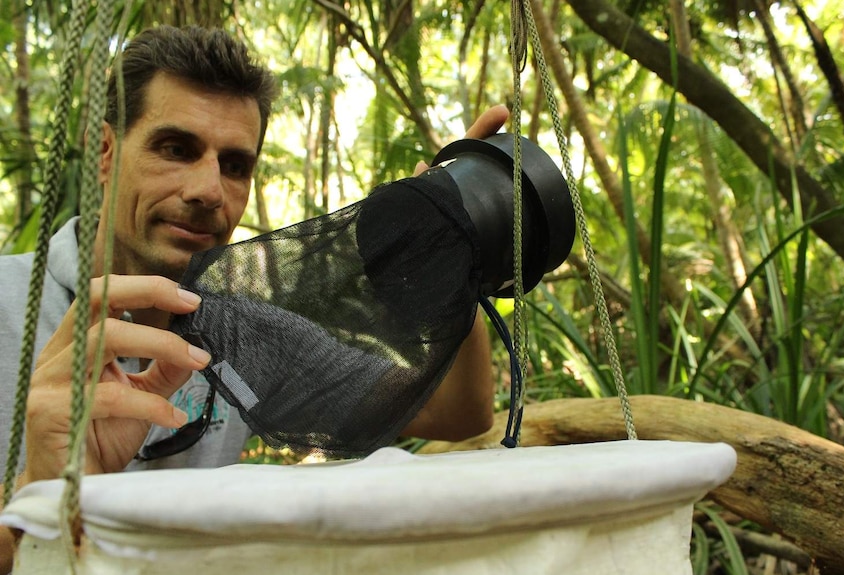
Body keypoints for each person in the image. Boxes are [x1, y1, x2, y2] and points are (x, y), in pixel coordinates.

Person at [0, 25, 508, 572]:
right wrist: (39, 496)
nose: (209, 191)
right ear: (104, 153)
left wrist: (445, 244)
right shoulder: (11, 306)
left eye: (235, 165)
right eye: (176, 148)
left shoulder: (242, 330)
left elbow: (457, 414)